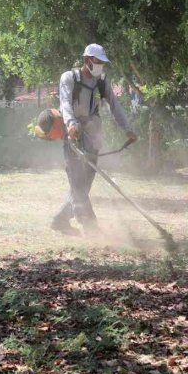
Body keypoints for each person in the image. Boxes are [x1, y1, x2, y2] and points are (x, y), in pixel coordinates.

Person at [52, 43, 138, 235]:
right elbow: (65, 103)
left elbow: (115, 106)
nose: (100, 65)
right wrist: (71, 123)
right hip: (72, 136)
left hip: (92, 136)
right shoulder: (69, 77)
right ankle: (91, 227)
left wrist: (128, 129)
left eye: (102, 62)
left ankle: (60, 220)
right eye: (97, 61)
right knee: (77, 182)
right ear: (87, 60)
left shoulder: (102, 81)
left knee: (85, 184)